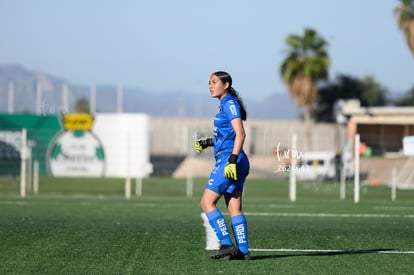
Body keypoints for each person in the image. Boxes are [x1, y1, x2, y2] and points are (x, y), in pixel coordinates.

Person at [196, 71, 251, 260]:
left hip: (231, 159)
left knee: (206, 202)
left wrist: (232, 161)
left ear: (225, 84)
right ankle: (243, 253)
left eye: (214, 82)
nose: (210, 86)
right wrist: (207, 142)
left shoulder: (229, 103)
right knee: (234, 208)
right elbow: (226, 136)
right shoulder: (224, 105)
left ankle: (227, 245)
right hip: (234, 158)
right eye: (209, 83)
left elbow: (240, 133)